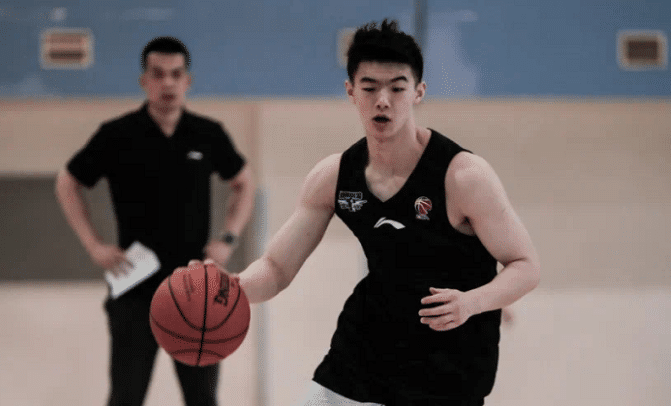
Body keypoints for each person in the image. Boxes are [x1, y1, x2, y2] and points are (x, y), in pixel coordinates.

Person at [195, 18, 538, 405]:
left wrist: (472, 302)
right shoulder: (334, 176)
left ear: (419, 92)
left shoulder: (463, 177)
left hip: (449, 371)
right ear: (351, 91)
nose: (383, 100)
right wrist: (232, 288)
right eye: (370, 87)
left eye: (397, 88)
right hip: (359, 359)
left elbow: (526, 265)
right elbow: (276, 267)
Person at [55, 36, 255, 406]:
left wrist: (228, 238)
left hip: (196, 290)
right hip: (135, 289)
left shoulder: (208, 134)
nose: (167, 82)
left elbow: (244, 183)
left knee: (203, 399)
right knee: (125, 398)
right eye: (158, 74)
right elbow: (68, 182)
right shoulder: (117, 134)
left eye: (176, 74)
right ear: (144, 81)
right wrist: (94, 245)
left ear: (187, 81)